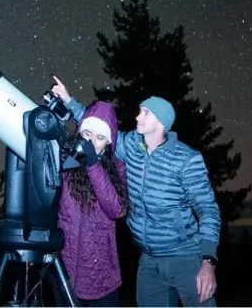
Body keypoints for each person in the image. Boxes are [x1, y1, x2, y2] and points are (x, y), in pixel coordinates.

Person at [52, 75, 221, 307]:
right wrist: (69, 101)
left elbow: (208, 210)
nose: (137, 116)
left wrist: (207, 262)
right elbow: (97, 126)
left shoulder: (187, 159)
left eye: (145, 113)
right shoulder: (130, 146)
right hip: (148, 259)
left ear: (161, 122)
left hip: (185, 257)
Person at [57, 100, 129, 307]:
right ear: (80, 132)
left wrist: (93, 165)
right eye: (88, 134)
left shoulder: (117, 168)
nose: (91, 142)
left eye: (99, 138)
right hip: (65, 267)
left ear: (108, 143)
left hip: (101, 272)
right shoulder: (64, 162)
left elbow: (116, 210)